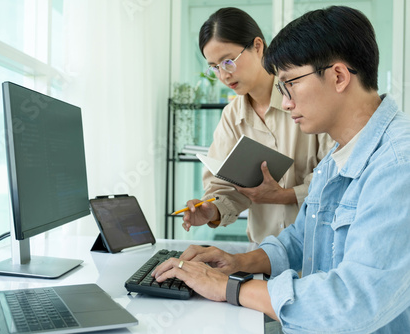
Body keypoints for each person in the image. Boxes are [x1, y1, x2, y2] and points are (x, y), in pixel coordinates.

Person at [153, 6, 410, 332]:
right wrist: (236, 263)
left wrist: (229, 287)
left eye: (290, 84)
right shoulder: (337, 155)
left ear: (339, 76)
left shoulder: (398, 165)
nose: (286, 102)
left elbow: (352, 302)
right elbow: (300, 240)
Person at [183, 7, 334, 244]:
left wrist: (285, 196)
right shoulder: (232, 117)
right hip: (264, 257)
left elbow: (336, 176)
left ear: (258, 46)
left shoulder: (304, 98)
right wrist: (212, 210)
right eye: (214, 67)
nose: (223, 75)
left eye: (228, 61)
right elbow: (225, 188)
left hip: (317, 252)